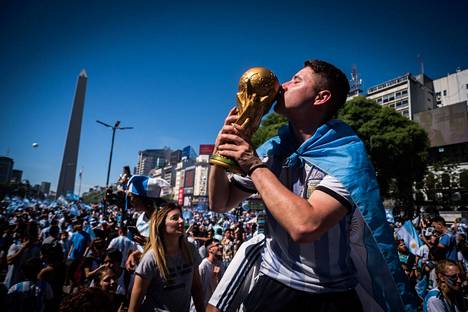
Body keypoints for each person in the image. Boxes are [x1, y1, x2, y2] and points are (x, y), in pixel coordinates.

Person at [208, 60, 415, 311]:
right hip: (272, 286)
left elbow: (306, 226)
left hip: (329, 296)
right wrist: (220, 154)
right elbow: (220, 203)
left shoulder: (346, 157)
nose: (282, 86)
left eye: (296, 81)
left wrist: (252, 164)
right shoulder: (273, 151)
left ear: (321, 97)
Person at [128, 202, 204, 312]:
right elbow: (134, 306)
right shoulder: (151, 259)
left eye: (181, 217)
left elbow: (196, 288)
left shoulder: (191, 250)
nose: (181, 221)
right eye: (175, 218)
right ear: (162, 225)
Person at [199, 239, 224, 307]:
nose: (221, 247)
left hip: (216, 305)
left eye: (220, 244)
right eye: (217, 245)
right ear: (210, 249)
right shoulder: (203, 265)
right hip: (204, 305)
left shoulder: (221, 264)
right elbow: (197, 287)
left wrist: (216, 276)